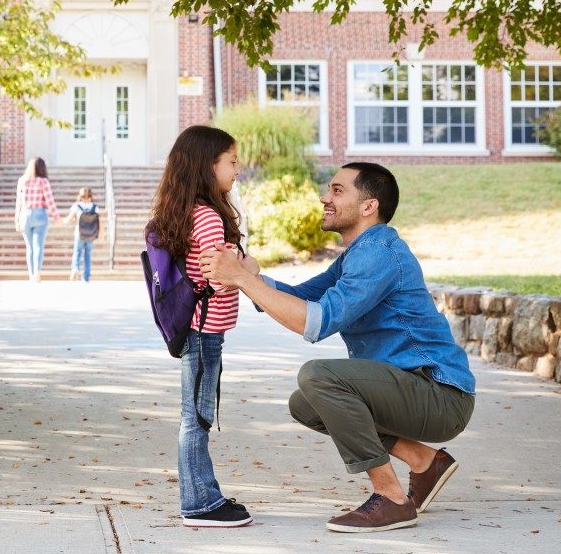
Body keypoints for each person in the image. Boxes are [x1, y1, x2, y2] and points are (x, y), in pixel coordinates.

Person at [199, 162, 475, 533]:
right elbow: (303, 298)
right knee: (307, 403)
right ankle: (424, 461)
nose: (325, 197)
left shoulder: (379, 253)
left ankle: (391, 497)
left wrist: (242, 280)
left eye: (337, 190)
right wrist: (250, 277)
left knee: (319, 376)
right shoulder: (357, 254)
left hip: (439, 393)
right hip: (410, 389)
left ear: (368, 206)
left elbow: (316, 322)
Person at [149, 124, 255, 528]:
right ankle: (198, 503)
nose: (236, 171)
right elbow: (217, 276)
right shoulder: (208, 216)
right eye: (231, 162)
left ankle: (204, 492)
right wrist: (248, 267)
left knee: (196, 414)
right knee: (196, 417)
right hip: (204, 331)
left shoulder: (186, 209)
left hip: (199, 329)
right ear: (207, 166)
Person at [15, 157, 59, 282]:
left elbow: (18, 202)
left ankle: (31, 274)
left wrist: (16, 220)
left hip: (24, 215)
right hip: (39, 214)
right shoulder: (43, 181)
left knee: (29, 247)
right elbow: (50, 200)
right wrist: (56, 216)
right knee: (38, 245)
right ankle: (37, 274)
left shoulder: (22, 181)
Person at [64, 187, 100, 282]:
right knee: (87, 256)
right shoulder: (95, 207)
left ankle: (75, 269)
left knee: (77, 253)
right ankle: (86, 277)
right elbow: (99, 222)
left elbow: (69, 218)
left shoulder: (77, 206)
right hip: (91, 235)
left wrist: (61, 221)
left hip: (79, 234)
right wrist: (101, 234)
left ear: (80, 196)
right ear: (91, 196)